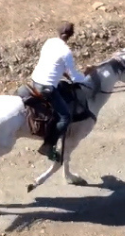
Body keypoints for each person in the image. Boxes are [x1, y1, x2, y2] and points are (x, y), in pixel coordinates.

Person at [29, 22, 88, 162]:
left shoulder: (49, 42)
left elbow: (54, 64)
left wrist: (64, 73)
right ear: (71, 35)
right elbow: (74, 77)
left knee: (63, 86)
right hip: (47, 87)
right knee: (65, 117)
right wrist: (86, 77)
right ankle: (48, 145)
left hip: (35, 80)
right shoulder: (66, 51)